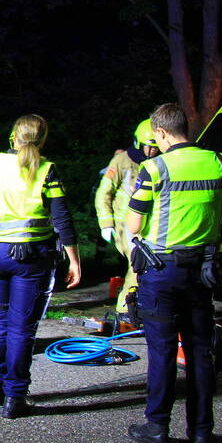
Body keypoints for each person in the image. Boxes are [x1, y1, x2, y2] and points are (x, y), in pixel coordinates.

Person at [125, 103, 222, 443]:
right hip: (202, 269)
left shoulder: (154, 168)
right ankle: (202, 431)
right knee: (201, 352)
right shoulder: (218, 162)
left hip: (162, 271)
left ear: (160, 132)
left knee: (163, 352)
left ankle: (157, 428)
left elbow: (134, 224)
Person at [0, 114, 81, 418]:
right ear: (42, 140)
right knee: (21, 328)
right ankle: (15, 397)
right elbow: (62, 218)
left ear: (13, 136)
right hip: (31, 257)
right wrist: (74, 260)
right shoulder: (46, 169)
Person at [95, 119, 160, 318]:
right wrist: (106, 224)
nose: (153, 151)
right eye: (150, 147)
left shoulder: (159, 163)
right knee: (137, 264)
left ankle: (144, 306)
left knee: (148, 266)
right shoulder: (122, 161)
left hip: (148, 223)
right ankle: (125, 309)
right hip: (125, 224)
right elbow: (104, 193)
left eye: (156, 147)